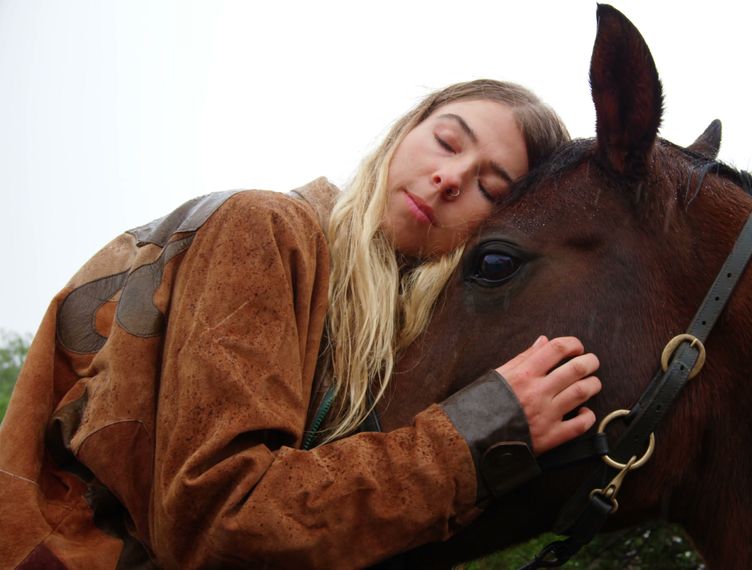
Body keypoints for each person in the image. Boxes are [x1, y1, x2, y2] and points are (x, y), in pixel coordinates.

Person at [0, 79, 602, 568]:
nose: (450, 178)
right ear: (404, 132)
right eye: (446, 142)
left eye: (489, 187)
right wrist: (480, 434)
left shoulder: (388, 342)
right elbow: (217, 519)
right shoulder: (267, 229)